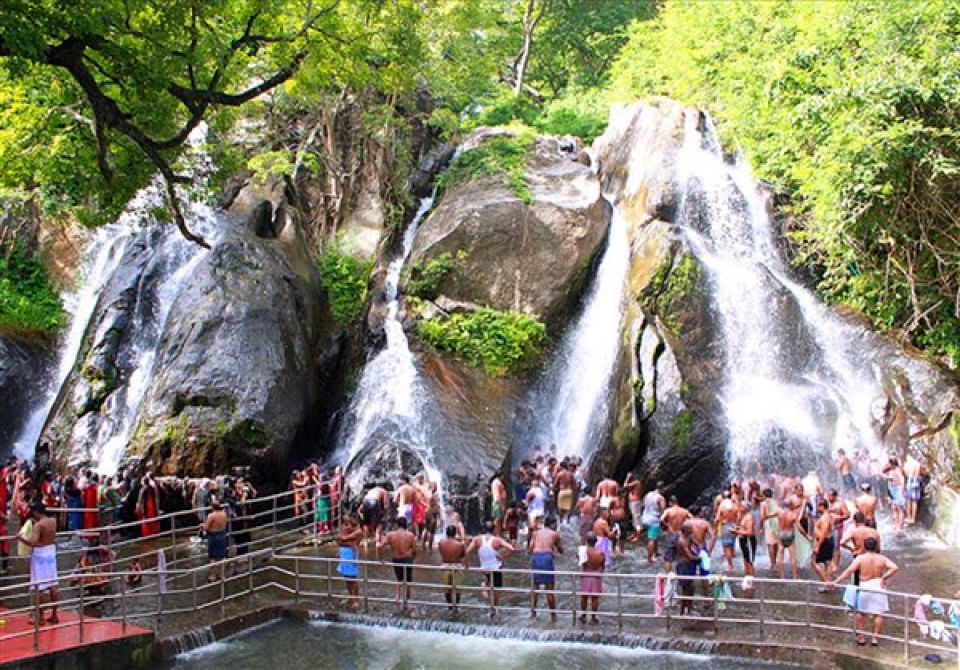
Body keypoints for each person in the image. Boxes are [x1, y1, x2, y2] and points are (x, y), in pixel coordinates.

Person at [830, 537, 898, 647]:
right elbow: (894, 567)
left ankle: (861, 636)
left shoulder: (860, 558)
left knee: (861, 612)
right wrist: (884, 577)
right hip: (878, 584)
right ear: (876, 546)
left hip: (864, 584)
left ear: (865, 546)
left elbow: (849, 571)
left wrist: (835, 581)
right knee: (879, 613)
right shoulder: (882, 558)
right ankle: (875, 638)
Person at [18, 503, 59, 624]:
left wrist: (20, 538)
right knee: (53, 584)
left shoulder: (38, 525)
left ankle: (40, 618)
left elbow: (33, 542)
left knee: (39, 586)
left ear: (36, 512)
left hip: (40, 553)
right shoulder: (53, 521)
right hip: (51, 551)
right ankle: (54, 615)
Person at [465, 521, 514, 617]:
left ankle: (486, 596)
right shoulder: (497, 540)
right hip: (496, 568)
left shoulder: (477, 539)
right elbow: (511, 548)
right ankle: (495, 608)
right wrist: (503, 557)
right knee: (496, 589)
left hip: (484, 568)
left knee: (486, 582)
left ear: (484, 529)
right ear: (494, 529)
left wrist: (467, 564)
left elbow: (467, 552)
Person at [529, 515, 563, 621]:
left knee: (535, 587)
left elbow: (530, 548)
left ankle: (533, 613)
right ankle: (553, 616)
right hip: (547, 558)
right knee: (549, 589)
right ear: (552, 524)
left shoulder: (536, 533)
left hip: (536, 556)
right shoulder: (555, 534)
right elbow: (561, 550)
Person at [378, 516, 417, 606]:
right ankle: (406, 601)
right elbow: (415, 550)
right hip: (407, 559)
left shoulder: (390, 535)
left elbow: (379, 546)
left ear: (397, 525)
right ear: (406, 525)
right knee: (407, 581)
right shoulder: (410, 535)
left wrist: (381, 559)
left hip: (396, 559)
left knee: (399, 579)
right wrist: (413, 559)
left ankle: (397, 597)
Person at [337, 515, 363, 609]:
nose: (347, 526)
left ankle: (356, 599)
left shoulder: (358, 532)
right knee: (347, 578)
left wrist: (346, 540)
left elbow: (342, 539)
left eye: (348, 524)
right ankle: (350, 596)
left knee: (352, 578)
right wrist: (350, 543)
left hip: (351, 554)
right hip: (345, 552)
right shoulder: (348, 530)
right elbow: (339, 540)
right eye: (345, 524)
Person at [660, 496, 691, 574]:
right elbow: (691, 518)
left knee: (668, 558)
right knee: (681, 556)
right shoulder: (684, 511)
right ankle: (681, 574)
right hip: (680, 535)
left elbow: (661, 519)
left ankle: (668, 576)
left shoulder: (669, 511)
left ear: (671, 502)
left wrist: (667, 525)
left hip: (671, 533)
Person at [438, 525, 467, 609]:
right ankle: (456, 606)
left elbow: (441, 552)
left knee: (447, 589)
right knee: (457, 589)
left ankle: (449, 606)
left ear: (446, 533)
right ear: (455, 534)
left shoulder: (441, 543)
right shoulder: (460, 545)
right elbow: (463, 555)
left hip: (445, 566)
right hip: (457, 567)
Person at [578, 532, 604, 624]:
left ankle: (583, 615)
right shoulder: (600, 553)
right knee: (595, 598)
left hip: (585, 574)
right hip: (596, 575)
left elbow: (580, 561)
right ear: (596, 542)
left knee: (584, 597)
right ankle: (593, 617)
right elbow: (602, 566)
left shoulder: (583, 550)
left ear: (587, 541)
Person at [773, 496, 801, 579]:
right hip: (789, 534)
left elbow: (768, 515)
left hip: (781, 533)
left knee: (780, 556)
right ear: (790, 506)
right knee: (793, 556)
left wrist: (763, 519)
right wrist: (806, 536)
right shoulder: (793, 514)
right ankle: (795, 576)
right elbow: (799, 528)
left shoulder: (779, 512)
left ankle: (782, 577)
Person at [812, 499, 835, 590]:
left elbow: (824, 533)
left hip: (824, 541)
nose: (817, 508)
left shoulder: (825, 517)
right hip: (827, 541)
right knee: (827, 563)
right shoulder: (827, 516)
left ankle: (827, 583)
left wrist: (818, 545)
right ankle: (827, 584)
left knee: (814, 562)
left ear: (822, 506)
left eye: (818, 506)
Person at [204, 501, 229, 582]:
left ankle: (213, 575)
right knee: (222, 556)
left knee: (212, 557)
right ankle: (222, 575)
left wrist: (202, 526)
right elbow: (225, 524)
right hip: (222, 534)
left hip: (213, 536)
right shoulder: (224, 514)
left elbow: (206, 528)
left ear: (212, 507)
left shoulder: (211, 515)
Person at [641, 483, 666, 564]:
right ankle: (649, 559)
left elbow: (643, 504)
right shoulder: (660, 498)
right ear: (662, 488)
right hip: (654, 519)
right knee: (652, 539)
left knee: (655, 537)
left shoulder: (648, 494)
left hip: (645, 517)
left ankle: (656, 552)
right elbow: (663, 510)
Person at [715, 490, 739, 573]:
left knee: (727, 546)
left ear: (723, 497)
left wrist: (716, 527)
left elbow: (717, 519)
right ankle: (732, 560)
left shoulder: (722, 505)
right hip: (734, 525)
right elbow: (738, 517)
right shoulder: (734, 505)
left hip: (726, 526)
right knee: (732, 544)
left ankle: (730, 566)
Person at [735, 501, 756, 587]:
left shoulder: (749, 517)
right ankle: (747, 579)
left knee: (749, 562)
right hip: (743, 540)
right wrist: (738, 528)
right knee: (746, 560)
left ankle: (751, 583)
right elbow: (744, 528)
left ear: (746, 508)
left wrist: (736, 531)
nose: (739, 508)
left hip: (749, 541)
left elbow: (750, 532)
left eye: (741, 506)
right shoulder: (744, 516)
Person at [759, 488, 780, 574]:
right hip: (777, 523)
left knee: (770, 544)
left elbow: (763, 516)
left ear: (764, 495)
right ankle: (775, 561)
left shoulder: (763, 503)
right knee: (776, 543)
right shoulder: (775, 502)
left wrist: (760, 527)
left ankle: (772, 563)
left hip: (768, 524)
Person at [884, 458, 906, 530]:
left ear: (893, 464)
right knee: (894, 507)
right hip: (892, 489)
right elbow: (883, 471)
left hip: (897, 489)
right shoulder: (891, 470)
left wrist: (902, 490)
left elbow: (902, 479)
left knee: (900, 508)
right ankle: (896, 524)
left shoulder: (897, 470)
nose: (889, 464)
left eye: (890, 463)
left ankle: (899, 526)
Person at [624, 474, 644, 542]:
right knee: (634, 519)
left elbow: (625, 485)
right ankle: (634, 534)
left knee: (637, 520)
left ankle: (638, 536)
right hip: (632, 502)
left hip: (635, 502)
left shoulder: (636, 482)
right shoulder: (633, 483)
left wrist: (627, 477)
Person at [904, 455, 924, 525]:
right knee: (914, 501)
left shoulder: (907, 464)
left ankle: (908, 517)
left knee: (909, 500)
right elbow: (922, 473)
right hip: (916, 481)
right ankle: (913, 518)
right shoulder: (918, 464)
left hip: (910, 481)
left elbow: (906, 474)